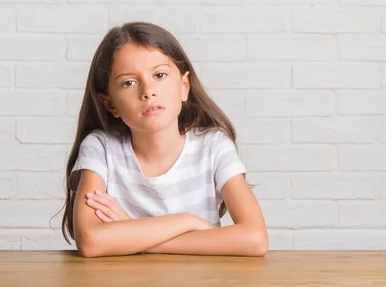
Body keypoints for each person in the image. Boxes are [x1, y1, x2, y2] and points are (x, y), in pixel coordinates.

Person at [59, 22, 268, 258]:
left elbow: (254, 240)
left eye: (159, 75)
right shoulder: (101, 148)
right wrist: (186, 221)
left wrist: (132, 234)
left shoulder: (214, 146)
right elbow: (91, 242)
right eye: (129, 82)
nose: (148, 91)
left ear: (184, 86)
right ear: (110, 104)